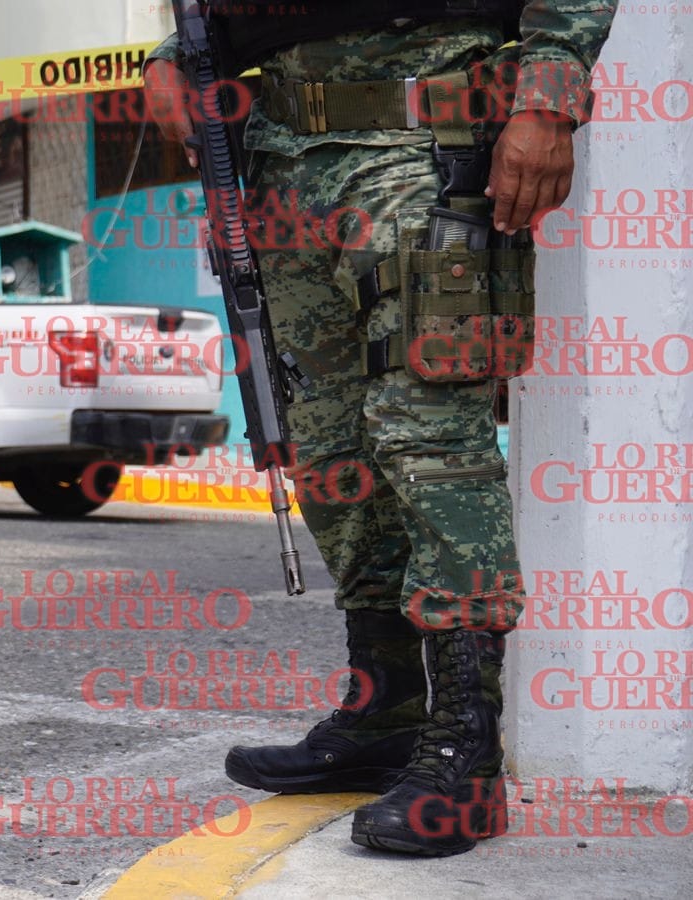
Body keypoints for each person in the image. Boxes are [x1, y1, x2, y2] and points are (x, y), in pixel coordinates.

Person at [144, 0, 617, 857]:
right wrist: (170, 60)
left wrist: (547, 101)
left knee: (429, 441)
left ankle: (466, 755)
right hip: (283, 159)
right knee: (328, 451)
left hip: (419, 145)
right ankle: (385, 710)